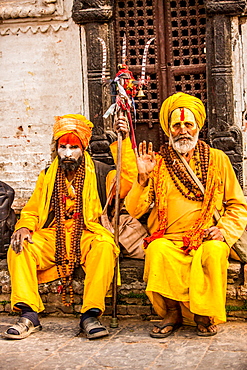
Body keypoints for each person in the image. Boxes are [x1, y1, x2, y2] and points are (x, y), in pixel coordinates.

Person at [124, 92, 247, 337]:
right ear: (169, 130)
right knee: (157, 250)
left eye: (188, 124)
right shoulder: (158, 163)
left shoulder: (218, 160)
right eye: (177, 125)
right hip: (170, 239)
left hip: (206, 236)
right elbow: (134, 210)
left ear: (198, 127)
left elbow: (237, 205)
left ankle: (204, 313)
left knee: (213, 252)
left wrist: (222, 231)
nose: (183, 131)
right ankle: (172, 313)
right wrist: (142, 177)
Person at [2, 114, 121, 340]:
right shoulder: (48, 175)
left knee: (105, 246)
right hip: (53, 237)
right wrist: (25, 227)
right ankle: (28, 315)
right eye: (62, 147)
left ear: (83, 147)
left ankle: (90, 316)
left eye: (73, 147)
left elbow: (125, 185)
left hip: (87, 234)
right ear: (56, 148)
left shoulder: (103, 173)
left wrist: (121, 143)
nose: (67, 153)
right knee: (19, 247)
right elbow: (33, 210)